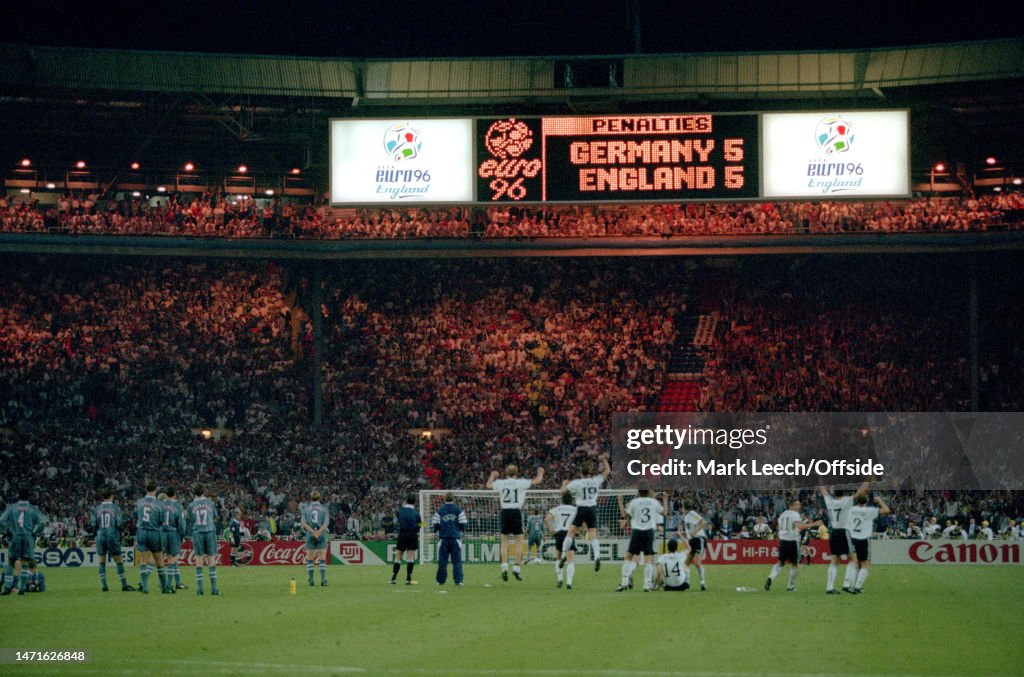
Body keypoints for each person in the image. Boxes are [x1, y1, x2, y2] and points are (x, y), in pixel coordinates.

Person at [487, 464, 544, 581]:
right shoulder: (521, 482)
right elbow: (537, 481)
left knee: (504, 541)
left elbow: (488, 485)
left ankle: (504, 567)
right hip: (516, 512)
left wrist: (492, 475)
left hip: (505, 512)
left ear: (506, 473)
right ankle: (516, 568)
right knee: (519, 540)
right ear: (516, 473)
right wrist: (540, 472)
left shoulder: (501, 483)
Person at [560, 453, 611, 572]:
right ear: (590, 472)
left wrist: (564, 484)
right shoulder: (595, 480)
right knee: (593, 534)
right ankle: (597, 557)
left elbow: (562, 492)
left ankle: (563, 555)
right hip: (592, 508)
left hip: (581, 508)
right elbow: (607, 471)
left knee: (570, 533)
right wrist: (604, 461)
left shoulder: (577, 483)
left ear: (580, 472)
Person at [818, 482, 869, 594]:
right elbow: (859, 493)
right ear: (844, 492)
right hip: (844, 532)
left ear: (833, 493)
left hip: (833, 532)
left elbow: (823, 490)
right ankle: (846, 584)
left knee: (834, 560)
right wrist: (868, 480)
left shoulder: (829, 501)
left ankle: (829, 587)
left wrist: (818, 479)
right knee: (853, 559)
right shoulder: (846, 500)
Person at [765, 497, 822, 592]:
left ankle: (771, 577)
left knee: (780, 562)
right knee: (795, 564)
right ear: (791, 506)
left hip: (783, 541)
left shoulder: (782, 514)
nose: (799, 506)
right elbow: (799, 526)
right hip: (792, 541)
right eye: (797, 504)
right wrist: (814, 524)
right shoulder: (795, 514)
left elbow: (779, 527)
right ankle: (790, 586)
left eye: (799, 504)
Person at [616, 483, 666, 592]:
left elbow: (624, 515)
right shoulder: (653, 502)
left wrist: (620, 501)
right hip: (649, 532)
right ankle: (647, 585)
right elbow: (665, 513)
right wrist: (665, 499)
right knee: (649, 559)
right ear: (648, 491)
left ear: (638, 491)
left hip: (637, 531)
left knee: (629, 557)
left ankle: (624, 582)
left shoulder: (634, 502)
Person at [1, 489, 45, 595]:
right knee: (25, 562)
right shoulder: (32, 508)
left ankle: (7, 586)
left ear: (19, 497)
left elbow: (1, 520)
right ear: (28, 497)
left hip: (15, 536)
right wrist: (35, 533)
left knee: (11, 562)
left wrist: (6, 532)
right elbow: (42, 522)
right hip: (28, 537)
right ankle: (22, 588)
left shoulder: (12, 508)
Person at [91, 488, 134, 592]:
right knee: (119, 560)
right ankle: (124, 585)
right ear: (112, 496)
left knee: (101, 561)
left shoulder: (97, 509)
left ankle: (104, 585)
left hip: (100, 535)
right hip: (112, 535)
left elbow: (93, 524)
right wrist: (121, 531)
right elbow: (119, 523)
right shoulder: (116, 508)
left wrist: (96, 532)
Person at [848, 494, 889, 594]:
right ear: (866, 502)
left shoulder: (851, 509)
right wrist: (879, 500)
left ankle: (852, 586)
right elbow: (886, 510)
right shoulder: (869, 511)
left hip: (852, 538)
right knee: (865, 564)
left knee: (857, 563)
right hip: (862, 538)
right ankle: (857, 586)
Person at [187, 484, 221, 595]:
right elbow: (215, 516)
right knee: (211, 560)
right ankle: (214, 589)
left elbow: (191, 520)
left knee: (199, 560)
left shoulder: (191, 505)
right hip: (210, 531)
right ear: (203, 492)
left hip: (197, 533)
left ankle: (200, 590)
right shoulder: (210, 503)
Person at [135, 482, 165, 594]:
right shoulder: (159, 504)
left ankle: (145, 587)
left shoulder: (139, 502)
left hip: (141, 531)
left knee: (143, 559)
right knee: (159, 560)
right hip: (154, 532)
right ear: (156, 489)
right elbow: (161, 520)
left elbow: (137, 515)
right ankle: (164, 587)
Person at [431, 492, 466, 586]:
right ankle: (458, 581)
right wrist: (459, 530)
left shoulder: (440, 510)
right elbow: (463, 524)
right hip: (455, 538)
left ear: (445, 499)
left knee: (442, 561)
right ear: (453, 499)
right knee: (457, 561)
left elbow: (435, 524)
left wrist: (438, 530)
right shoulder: (458, 510)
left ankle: (440, 581)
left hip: (443, 539)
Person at [545, 491, 577, 589]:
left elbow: (546, 519)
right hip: (569, 533)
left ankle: (559, 580)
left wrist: (551, 530)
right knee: (570, 559)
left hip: (559, 533)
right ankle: (569, 583)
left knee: (558, 558)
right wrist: (579, 531)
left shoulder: (557, 509)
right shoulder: (575, 510)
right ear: (571, 500)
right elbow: (582, 522)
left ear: (562, 500)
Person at [160, 487, 188, 592]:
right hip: (173, 533)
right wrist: (182, 535)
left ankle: (177, 583)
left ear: (166, 494)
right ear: (175, 494)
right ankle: (168, 585)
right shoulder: (178, 506)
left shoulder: (161, 505)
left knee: (160, 558)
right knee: (172, 558)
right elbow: (181, 523)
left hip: (162, 533)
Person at [301, 490, 330, 587]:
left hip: (310, 534)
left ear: (311, 498)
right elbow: (326, 523)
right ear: (319, 498)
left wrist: (313, 532)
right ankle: (324, 580)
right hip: (321, 534)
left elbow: (303, 523)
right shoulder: (324, 508)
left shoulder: (306, 508)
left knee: (310, 559)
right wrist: (318, 532)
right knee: (322, 559)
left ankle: (311, 581)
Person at [391, 493, 420, 585]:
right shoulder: (416, 513)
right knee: (410, 557)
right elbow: (419, 525)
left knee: (398, 555)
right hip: (412, 535)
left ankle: (394, 578)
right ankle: (408, 578)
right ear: (414, 502)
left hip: (402, 534)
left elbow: (399, 519)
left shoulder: (400, 511)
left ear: (406, 501)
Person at [680, 498, 709, 591]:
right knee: (686, 563)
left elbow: (703, 522)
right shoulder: (686, 516)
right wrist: (687, 534)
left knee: (697, 562)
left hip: (699, 539)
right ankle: (686, 582)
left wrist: (694, 532)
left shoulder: (692, 513)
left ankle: (702, 583)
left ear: (684, 507)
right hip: (692, 540)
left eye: (682, 507)